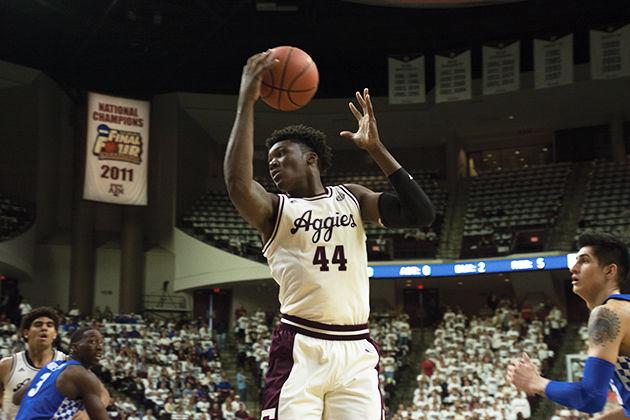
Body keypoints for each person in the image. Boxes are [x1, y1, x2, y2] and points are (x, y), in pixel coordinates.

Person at [224, 50, 435, 419]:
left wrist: (376, 149)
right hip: (300, 347)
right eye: (269, 159)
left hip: (355, 350)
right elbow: (238, 184)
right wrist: (247, 101)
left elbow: (420, 214)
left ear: (312, 158)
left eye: (282, 154)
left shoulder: (351, 197)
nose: (273, 163)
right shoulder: (274, 209)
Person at [507, 232, 630, 418]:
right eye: (575, 261)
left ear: (610, 271)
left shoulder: (608, 313)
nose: (574, 268)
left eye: (584, 261)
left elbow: (590, 398)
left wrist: (535, 381)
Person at [13, 326, 109, 420]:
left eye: (101, 343)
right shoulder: (81, 375)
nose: (99, 348)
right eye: (92, 342)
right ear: (75, 347)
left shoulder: (51, 366)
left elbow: (16, 398)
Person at [0, 307, 67, 420]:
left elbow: (101, 394)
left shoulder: (67, 363)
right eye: (38, 324)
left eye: (49, 325)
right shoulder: (8, 364)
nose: (44, 328)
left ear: (55, 334)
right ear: (26, 333)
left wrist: (84, 411)